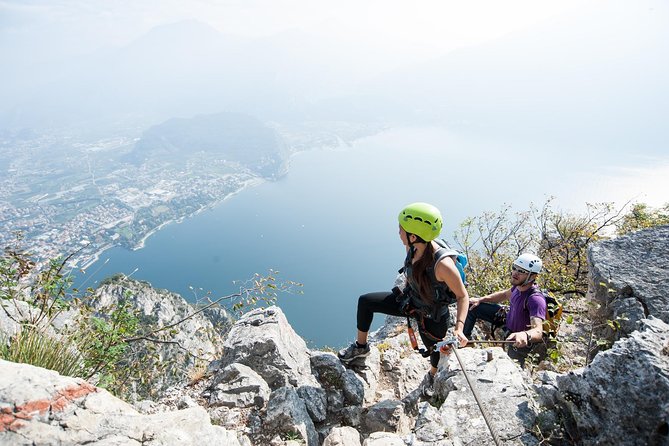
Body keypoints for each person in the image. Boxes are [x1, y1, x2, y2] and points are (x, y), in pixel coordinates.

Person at [338, 202, 469, 395]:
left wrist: (459, 327)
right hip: (411, 302)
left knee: (434, 349)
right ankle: (361, 347)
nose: (398, 232)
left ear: (413, 235)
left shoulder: (443, 265)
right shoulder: (413, 247)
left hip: (432, 314)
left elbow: (462, 295)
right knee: (366, 302)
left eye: (401, 229)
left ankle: (432, 376)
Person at [463, 253, 547, 366]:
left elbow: (538, 330)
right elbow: (504, 295)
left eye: (521, 271)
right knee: (473, 307)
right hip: (508, 322)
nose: (515, 273)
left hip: (519, 339)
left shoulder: (535, 299)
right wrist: (481, 299)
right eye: (514, 268)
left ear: (532, 276)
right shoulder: (518, 287)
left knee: (512, 368)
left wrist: (525, 335)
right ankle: (465, 342)